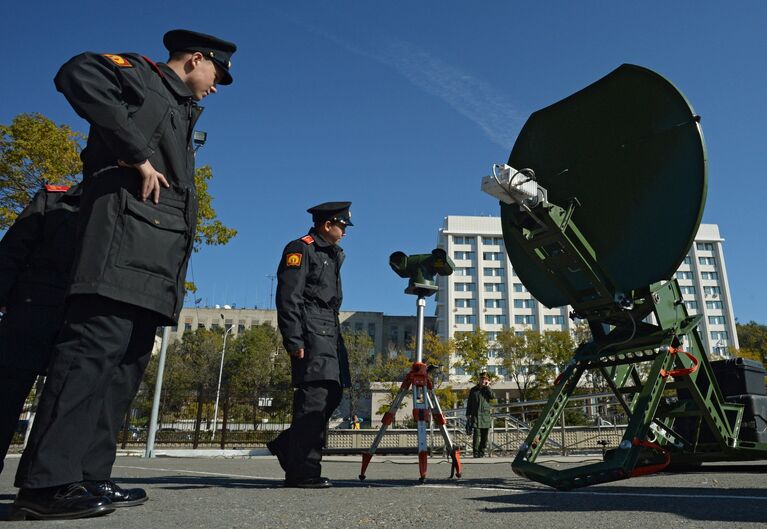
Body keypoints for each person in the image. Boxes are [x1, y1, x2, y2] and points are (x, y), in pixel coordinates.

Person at [12, 29, 237, 521]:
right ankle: (46, 484)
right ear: (195, 60)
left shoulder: (179, 108)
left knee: (122, 369)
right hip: (117, 251)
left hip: (153, 262)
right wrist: (134, 152)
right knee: (88, 360)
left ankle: (90, 476)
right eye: (216, 74)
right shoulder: (145, 77)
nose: (216, 86)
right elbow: (78, 72)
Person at [268, 202, 353, 489]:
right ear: (327, 225)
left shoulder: (331, 253)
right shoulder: (301, 248)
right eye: (342, 226)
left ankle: (287, 444)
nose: (345, 232)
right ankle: (303, 470)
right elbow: (288, 296)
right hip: (311, 328)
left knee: (333, 393)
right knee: (314, 398)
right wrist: (294, 338)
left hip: (330, 328)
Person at [0, 184, 82, 476]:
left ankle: (43, 480)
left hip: (79, 318)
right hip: (31, 311)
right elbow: (11, 251)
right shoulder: (54, 199)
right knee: (6, 394)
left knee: (65, 401)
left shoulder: (115, 210)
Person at [466, 372, 494, 458]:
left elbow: (492, 397)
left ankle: (482, 452)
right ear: (479, 379)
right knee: (476, 435)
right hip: (475, 415)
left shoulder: (487, 390)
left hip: (485, 415)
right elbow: (469, 402)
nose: (483, 380)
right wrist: (468, 414)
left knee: (484, 436)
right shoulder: (473, 390)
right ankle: (476, 452)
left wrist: (488, 387)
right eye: (482, 379)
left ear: (487, 380)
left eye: (485, 379)